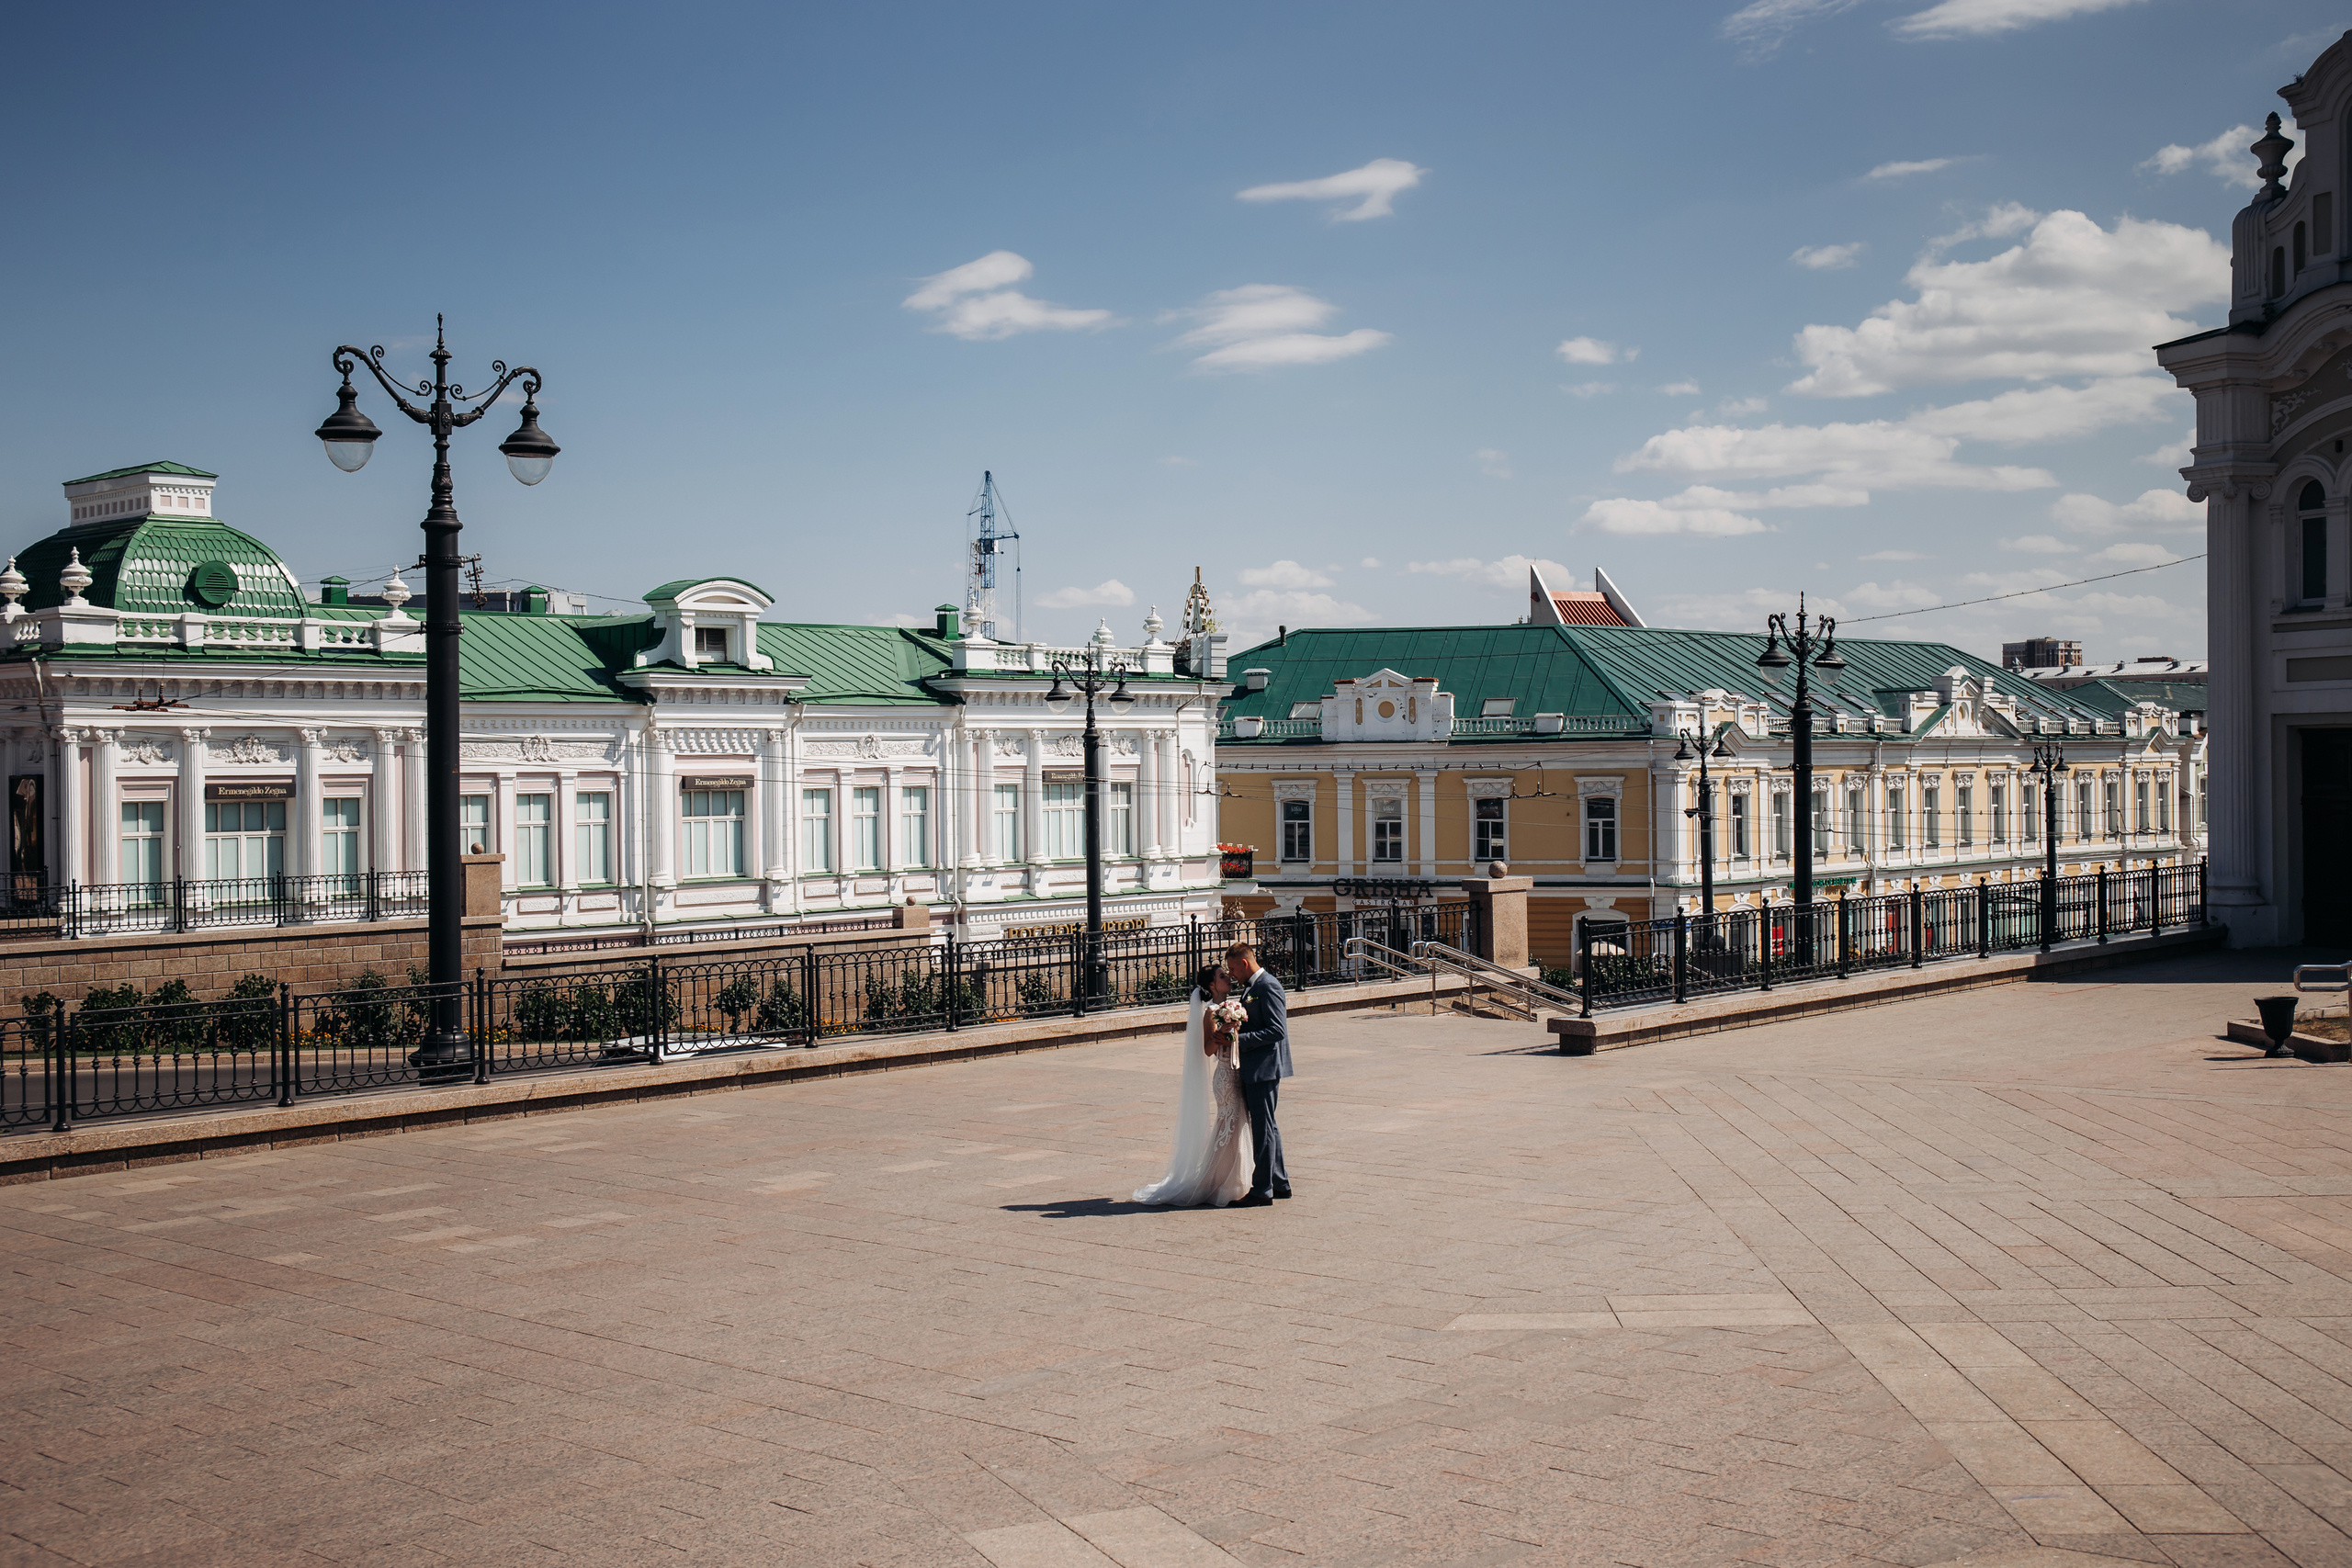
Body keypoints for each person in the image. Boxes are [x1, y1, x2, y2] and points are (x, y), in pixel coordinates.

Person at [1131, 964, 1253, 1207]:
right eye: (1222, 977)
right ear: (1211, 985)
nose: (1228, 979)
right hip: (1226, 1077)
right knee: (1228, 1126)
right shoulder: (1211, 1012)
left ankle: (1237, 1179)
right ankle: (1215, 1181)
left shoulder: (1234, 1006)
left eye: (1227, 975)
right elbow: (1208, 1050)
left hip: (1239, 1072)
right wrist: (1223, 1035)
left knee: (1240, 1125)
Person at [1226, 942, 1291, 1207]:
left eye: (1232, 969)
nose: (1231, 975)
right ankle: (1279, 1182)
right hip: (1258, 1067)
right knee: (1268, 1126)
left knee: (1263, 1129)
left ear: (1244, 963)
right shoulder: (1253, 987)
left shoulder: (1268, 986)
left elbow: (1277, 1030)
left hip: (1264, 1068)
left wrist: (1238, 1039)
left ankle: (1262, 1189)